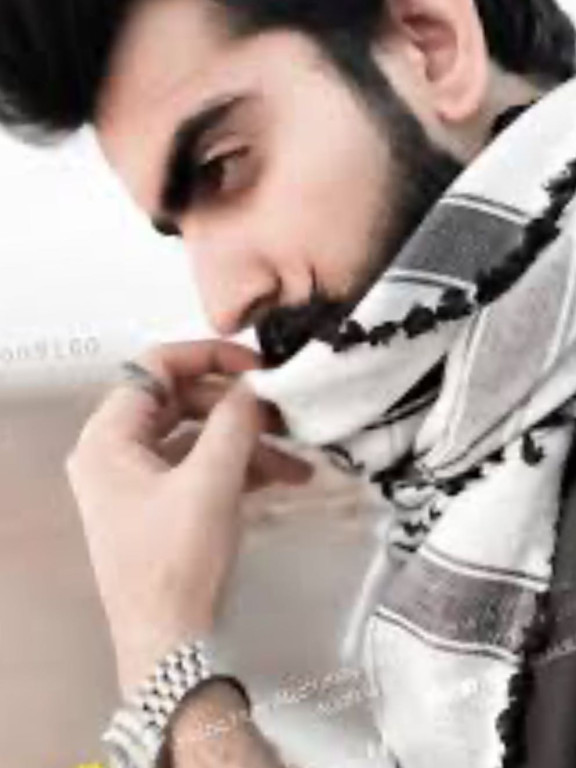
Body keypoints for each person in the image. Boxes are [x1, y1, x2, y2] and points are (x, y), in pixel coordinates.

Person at [0, 0, 576, 766]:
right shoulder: (464, 512)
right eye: (182, 233)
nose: (222, 302)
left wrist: (162, 653)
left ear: (432, 44)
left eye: (223, 167)